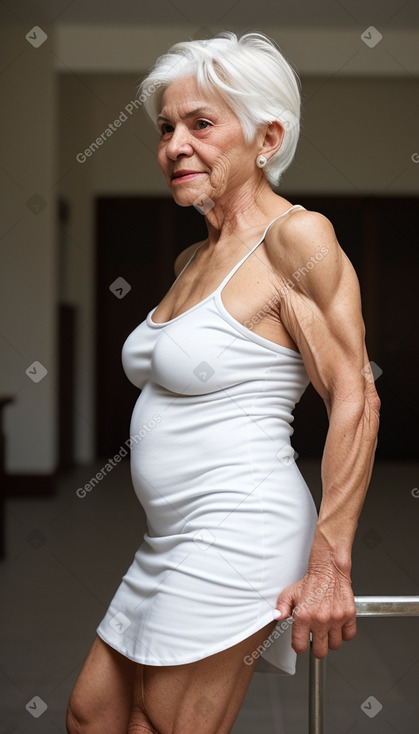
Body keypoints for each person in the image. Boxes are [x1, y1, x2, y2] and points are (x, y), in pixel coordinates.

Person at [66, 31, 380, 734]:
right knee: (94, 717)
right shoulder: (191, 259)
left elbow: (355, 394)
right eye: (166, 128)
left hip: (237, 530)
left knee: (164, 726)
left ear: (266, 136)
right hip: (166, 537)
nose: (175, 145)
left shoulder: (296, 239)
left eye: (200, 124)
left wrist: (329, 562)